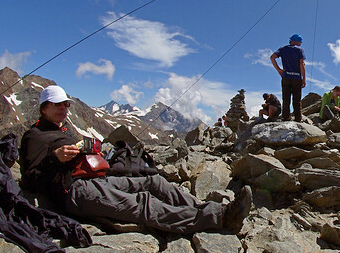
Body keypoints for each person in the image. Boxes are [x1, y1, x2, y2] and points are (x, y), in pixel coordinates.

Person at [20, 85, 252, 235]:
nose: (63, 109)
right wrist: (54, 158)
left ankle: (209, 208)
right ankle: (220, 217)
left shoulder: (62, 130)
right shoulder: (35, 136)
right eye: (57, 105)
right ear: (44, 108)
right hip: (73, 193)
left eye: (65, 104)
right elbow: (30, 179)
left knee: (154, 182)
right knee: (143, 204)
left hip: (92, 179)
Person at [270, 33, 306, 122]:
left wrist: (279, 70)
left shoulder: (283, 49)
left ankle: (286, 117)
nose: (300, 44)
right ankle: (298, 119)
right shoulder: (300, 50)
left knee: (286, 99)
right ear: (297, 42)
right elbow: (302, 64)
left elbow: (272, 57)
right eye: (300, 42)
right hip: (297, 78)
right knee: (297, 100)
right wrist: (304, 78)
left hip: (286, 76)